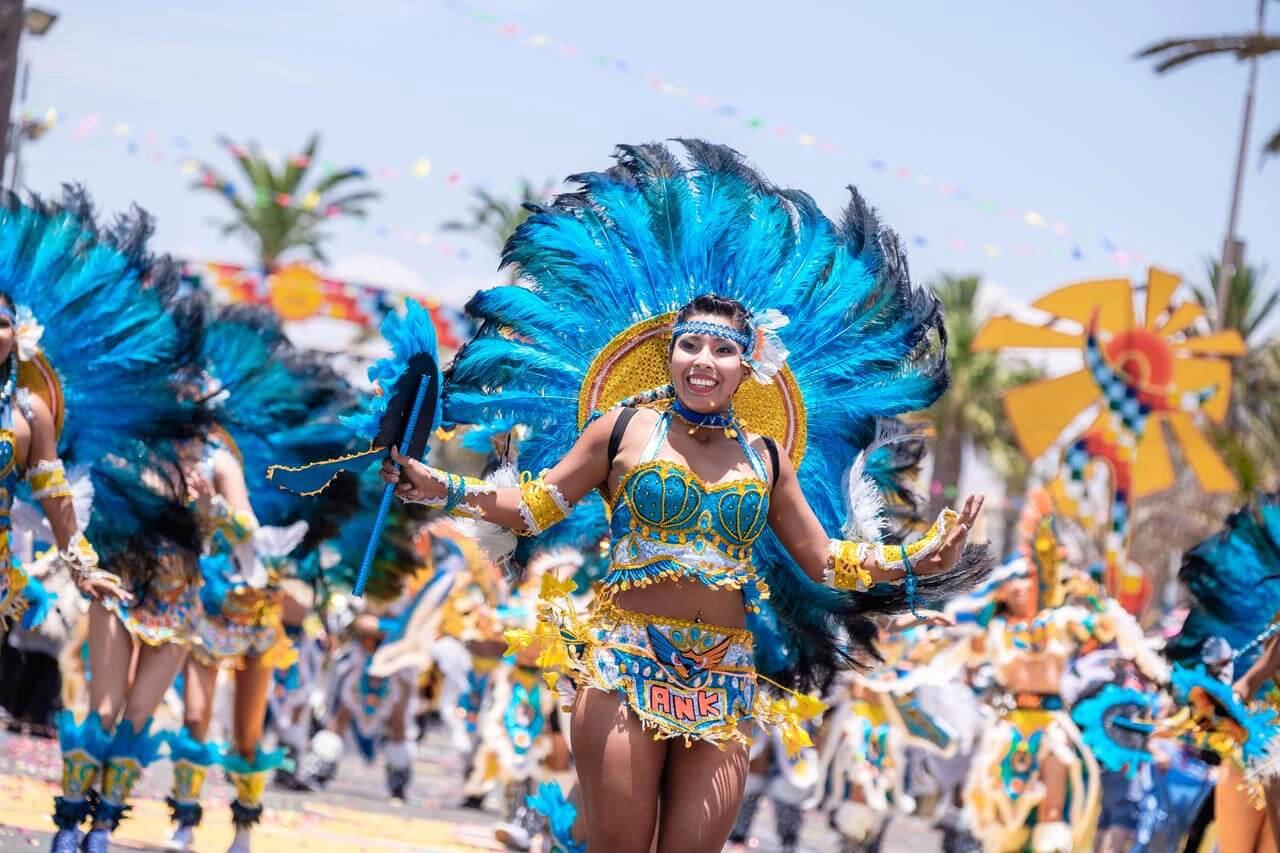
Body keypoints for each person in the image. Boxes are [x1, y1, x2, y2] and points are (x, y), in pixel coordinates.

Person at [382, 140, 988, 852]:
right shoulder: (623, 429)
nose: (705, 361)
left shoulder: (766, 457)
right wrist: (441, 486)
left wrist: (916, 559)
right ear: (668, 352)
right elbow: (531, 508)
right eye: (692, 346)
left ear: (748, 365)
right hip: (622, 662)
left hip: (726, 677)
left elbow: (825, 560)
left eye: (724, 350)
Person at [0, 190, 211, 853]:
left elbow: (60, 497)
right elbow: (76, 495)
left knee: (136, 715)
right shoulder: (117, 446)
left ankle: (97, 824)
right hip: (118, 581)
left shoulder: (207, 464)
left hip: (169, 597)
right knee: (99, 707)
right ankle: (71, 823)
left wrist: (207, 504)